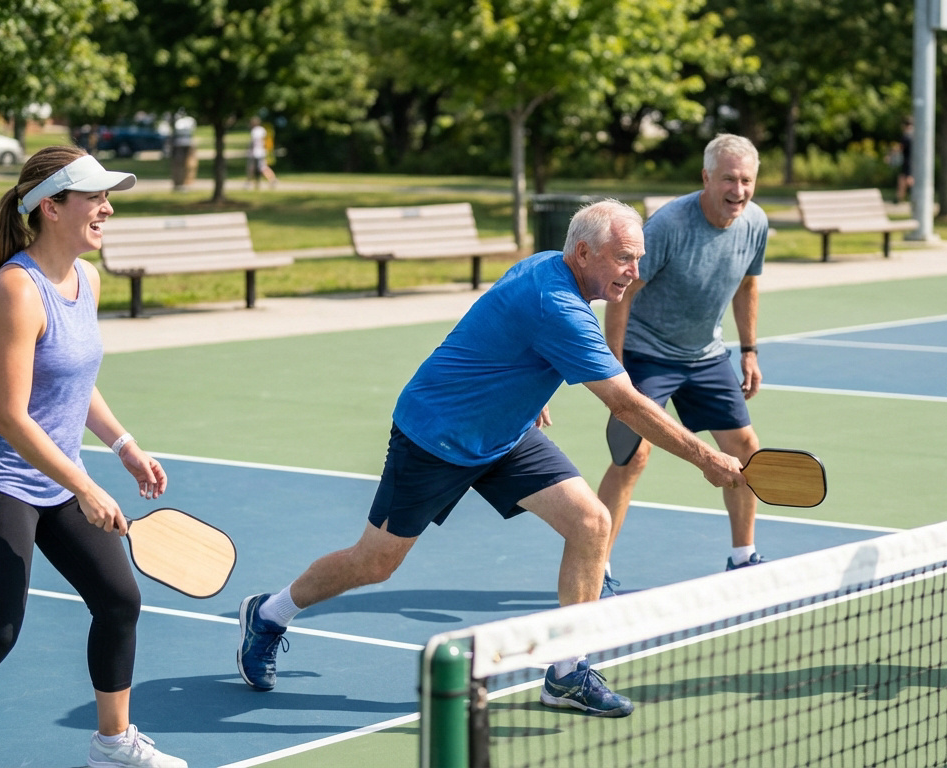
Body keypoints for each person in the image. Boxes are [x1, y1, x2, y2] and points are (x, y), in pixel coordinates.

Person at [236, 200, 746, 718]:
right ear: (585, 252)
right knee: (375, 563)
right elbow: (625, 403)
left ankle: (567, 673)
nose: (635, 273)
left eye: (638, 259)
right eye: (624, 259)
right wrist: (706, 457)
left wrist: (521, 380)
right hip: (436, 437)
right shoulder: (560, 306)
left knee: (592, 522)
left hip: (505, 435)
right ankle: (270, 614)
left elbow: (497, 312)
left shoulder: (550, 264)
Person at [0, 146, 186, 767]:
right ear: (51, 209)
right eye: (95, 198)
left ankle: (112, 745)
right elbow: (10, 416)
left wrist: (124, 445)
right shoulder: (15, 290)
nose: (107, 209)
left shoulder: (87, 279)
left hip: (56, 479)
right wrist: (84, 483)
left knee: (119, 600)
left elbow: (74, 378)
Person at [595, 134, 768, 597]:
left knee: (746, 448)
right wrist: (615, 369)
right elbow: (622, 291)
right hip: (648, 352)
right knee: (634, 455)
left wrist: (749, 349)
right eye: (729, 178)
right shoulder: (669, 224)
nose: (739, 189)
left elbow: (747, 285)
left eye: (747, 180)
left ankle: (743, 557)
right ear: (706, 178)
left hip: (706, 354)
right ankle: (598, 565)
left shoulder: (755, 223)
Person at [246, 117, 276, 189]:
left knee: (255, 168)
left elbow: (253, 142)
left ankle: (249, 183)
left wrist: (249, 150)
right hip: (261, 151)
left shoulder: (255, 131)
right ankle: (272, 179)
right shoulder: (262, 130)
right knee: (261, 167)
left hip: (256, 152)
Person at [895, 116, 914, 204]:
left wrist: (891, 154)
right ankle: (901, 198)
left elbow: (900, 149)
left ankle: (900, 198)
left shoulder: (906, 137)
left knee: (906, 180)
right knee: (905, 179)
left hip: (907, 161)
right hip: (913, 162)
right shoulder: (915, 136)